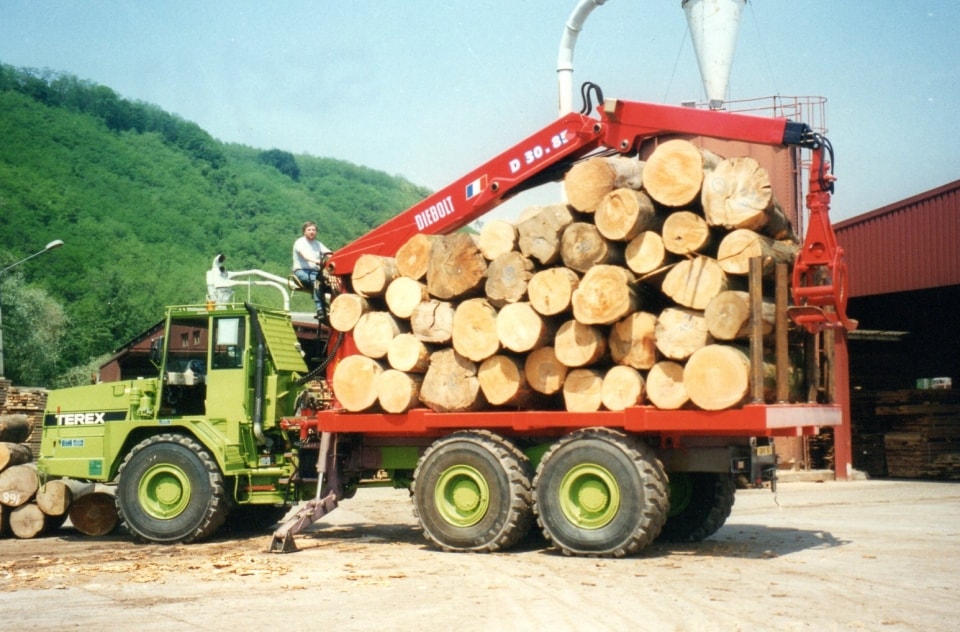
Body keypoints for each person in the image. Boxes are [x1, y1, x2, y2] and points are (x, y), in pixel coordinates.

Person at [292, 220, 331, 318]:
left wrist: (337, 257)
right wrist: (317, 261)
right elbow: (305, 256)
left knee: (332, 283)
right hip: (301, 271)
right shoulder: (300, 243)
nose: (312, 232)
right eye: (309, 230)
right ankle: (320, 309)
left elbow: (328, 253)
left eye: (313, 230)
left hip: (316, 272)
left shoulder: (317, 244)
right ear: (304, 232)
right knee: (317, 281)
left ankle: (334, 306)